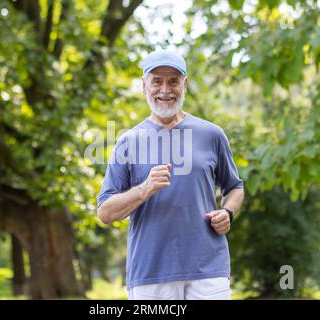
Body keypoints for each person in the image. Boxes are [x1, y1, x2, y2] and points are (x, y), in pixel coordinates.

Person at [97, 49, 245, 300]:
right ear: (144, 87)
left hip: (208, 269)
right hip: (151, 273)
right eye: (156, 81)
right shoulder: (128, 142)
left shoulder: (212, 134)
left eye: (173, 81)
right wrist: (145, 188)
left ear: (184, 85)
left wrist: (228, 211)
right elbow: (106, 213)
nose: (165, 89)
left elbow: (235, 188)